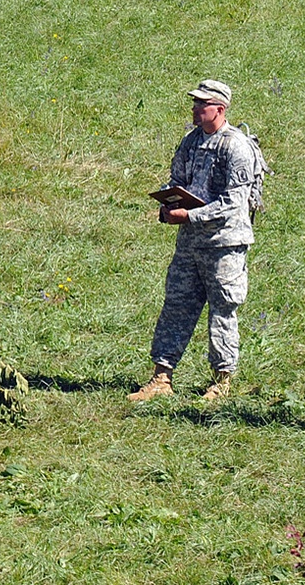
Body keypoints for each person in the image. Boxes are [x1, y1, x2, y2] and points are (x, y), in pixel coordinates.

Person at [129, 79, 259, 402]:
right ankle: (161, 377)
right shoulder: (190, 142)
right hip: (190, 244)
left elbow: (233, 203)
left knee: (222, 309)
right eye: (195, 103)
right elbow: (177, 179)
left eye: (202, 104)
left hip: (224, 244)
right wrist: (169, 204)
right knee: (176, 304)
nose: (195, 108)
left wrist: (189, 217)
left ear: (220, 109)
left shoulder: (237, 147)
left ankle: (222, 382)